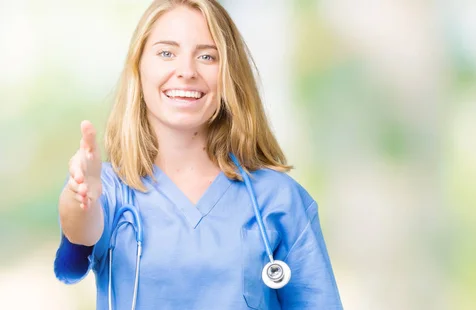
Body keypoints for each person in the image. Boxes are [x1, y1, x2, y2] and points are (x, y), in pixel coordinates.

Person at [53, 0, 343, 309]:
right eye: (167, 53)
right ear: (138, 68)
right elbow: (71, 263)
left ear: (229, 73)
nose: (187, 71)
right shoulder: (110, 191)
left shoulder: (279, 200)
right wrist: (80, 197)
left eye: (207, 56)